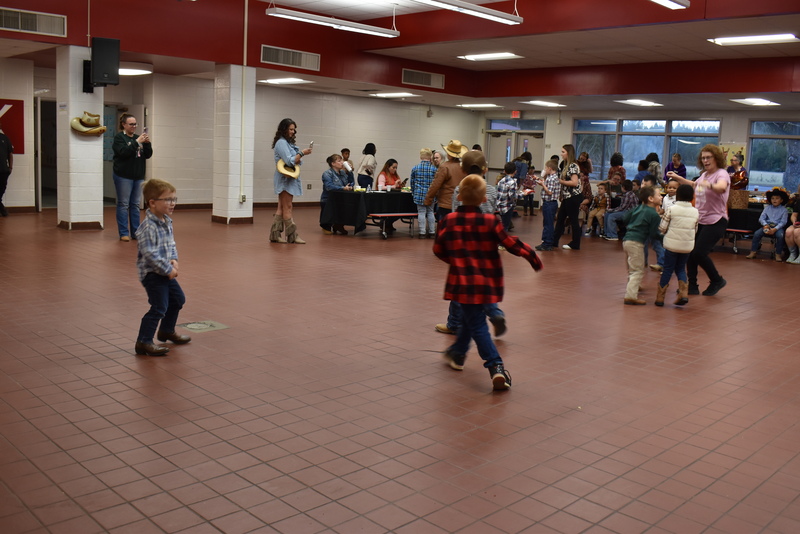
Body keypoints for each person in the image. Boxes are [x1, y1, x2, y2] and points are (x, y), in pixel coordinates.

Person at [434, 174, 543, 391]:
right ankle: (467, 356)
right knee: (473, 319)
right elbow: (510, 243)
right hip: (486, 283)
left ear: (460, 196)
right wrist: (531, 255)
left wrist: (456, 262)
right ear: (484, 199)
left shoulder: (449, 220)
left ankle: (495, 366)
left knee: (474, 321)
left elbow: (438, 249)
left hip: (462, 283)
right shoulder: (491, 221)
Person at [439, 151, 505, 337]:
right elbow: (492, 211)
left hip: (465, 245)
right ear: (485, 169)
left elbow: (455, 215)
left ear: (462, 169)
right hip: (486, 245)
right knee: (484, 284)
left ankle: (454, 323)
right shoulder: (491, 190)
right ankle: (495, 313)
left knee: (460, 285)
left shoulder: (460, 190)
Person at [134, 179, 190, 356]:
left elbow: (171, 244)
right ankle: (143, 341)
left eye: (174, 199)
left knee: (178, 300)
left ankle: (166, 330)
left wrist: (174, 259)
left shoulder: (166, 221)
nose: (172, 203)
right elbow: (150, 255)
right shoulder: (147, 228)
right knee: (159, 307)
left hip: (166, 272)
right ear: (152, 203)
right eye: (167, 200)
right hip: (153, 275)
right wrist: (168, 270)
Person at [667, 144, 730, 296]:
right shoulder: (704, 175)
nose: (706, 160)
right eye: (703, 158)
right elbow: (695, 185)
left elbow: (721, 187)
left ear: (716, 158)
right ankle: (692, 286)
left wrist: (709, 185)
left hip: (716, 220)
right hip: (701, 220)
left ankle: (717, 280)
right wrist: (678, 178)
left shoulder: (721, 174)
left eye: (709, 157)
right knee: (690, 252)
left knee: (699, 253)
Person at [271, 118, 312, 244]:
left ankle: (275, 234)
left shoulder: (288, 143)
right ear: (284, 129)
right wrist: (302, 153)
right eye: (290, 129)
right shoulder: (282, 143)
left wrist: (299, 156)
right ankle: (292, 235)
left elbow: (296, 160)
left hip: (289, 177)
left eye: (294, 129)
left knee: (282, 207)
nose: (293, 132)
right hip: (285, 178)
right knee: (288, 206)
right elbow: (290, 161)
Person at [657, 184, 699, 306]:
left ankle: (660, 298)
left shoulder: (671, 209)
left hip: (671, 245)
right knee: (681, 269)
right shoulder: (695, 212)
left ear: (678, 195)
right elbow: (694, 230)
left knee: (668, 269)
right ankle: (683, 294)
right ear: (692, 197)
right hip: (686, 246)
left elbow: (662, 228)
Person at [112, 114, 152, 241]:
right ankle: (124, 233)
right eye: (131, 124)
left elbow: (148, 155)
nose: (134, 127)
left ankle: (136, 232)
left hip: (138, 176)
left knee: (135, 204)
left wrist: (147, 143)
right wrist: (137, 142)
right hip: (123, 176)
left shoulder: (137, 138)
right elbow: (123, 152)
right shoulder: (119, 138)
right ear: (124, 124)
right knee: (123, 204)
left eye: (135, 124)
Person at [621, 185, 663, 305]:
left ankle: (636, 286)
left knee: (632, 266)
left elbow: (625, 218)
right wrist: (664, 238)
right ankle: (630, 295)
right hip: (637, 242)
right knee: (637, 270)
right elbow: (654, 233)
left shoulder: (638, 207)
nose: (661, 197)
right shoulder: (654, 214)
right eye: (659, 195)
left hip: (627, 240)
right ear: (651, 198)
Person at [425, 140, 468, 221]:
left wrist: (428, 199)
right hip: (460, 203)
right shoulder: (464, 167)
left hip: (446, 204)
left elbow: (435, 185)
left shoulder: (445, 167)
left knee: (444, 229)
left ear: (448, 154)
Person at [552, 144, 583, 250]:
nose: (561, 154)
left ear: (568, 153)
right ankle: (554, 240)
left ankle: (575, 243)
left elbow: (574, 183)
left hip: (573, 196)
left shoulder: (573, 166)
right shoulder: (565, 165)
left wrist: (560, 181)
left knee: (573, 220)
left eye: (563, 152)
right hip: (567, 196)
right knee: (560, 219)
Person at [746, 187, 789, 261]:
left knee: (780, 236)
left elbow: (783, 222)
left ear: (781, 200)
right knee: (757, 234)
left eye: (777, 198)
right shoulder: (767, 208)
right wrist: (765, 225)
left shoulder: (784, 210)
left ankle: (778, 254)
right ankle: (753, 252)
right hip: (767, 225)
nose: (774, 200)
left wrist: (775, 229)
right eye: (772, 198)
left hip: (777, 227)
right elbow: (761, 218)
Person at [320, 153, 354, 235]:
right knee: (330, 210)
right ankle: (326, 226)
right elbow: (329, 187)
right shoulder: (327, 173)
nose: (342, 162)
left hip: (340, 197)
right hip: (328, 198)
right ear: (333, 163)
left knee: (348, 207)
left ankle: (338, 225)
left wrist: (350, 172)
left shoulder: (342, 173)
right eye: (339, 161)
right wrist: (343, 188)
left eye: (342, 160)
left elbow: (351, 182)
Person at [410, 148, 437, 238]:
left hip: (419, 193)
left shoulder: (415, 168)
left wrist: (414, 192)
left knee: (421, 212)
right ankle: (432, 231)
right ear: (430, 157)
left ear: (420, 156)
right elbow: (436, 183)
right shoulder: (434, 169)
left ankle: (422, 232)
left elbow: (412, 182)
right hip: (431, 194)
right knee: (430, 212)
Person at [535, 159, 561, 251]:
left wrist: (543, 184)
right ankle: (547, 241)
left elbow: (549, 192)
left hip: (549, 203)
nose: (545, 169)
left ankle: (547, 243)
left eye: (546, 168)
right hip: (551, 203)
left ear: (550, 168)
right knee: (547, 223)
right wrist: (541, 181)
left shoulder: (551, 178)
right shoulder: (553, 177)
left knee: (548, 224)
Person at [496, 162, 519, 232]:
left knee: (502, 225)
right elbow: (512, 196)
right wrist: (523, 194)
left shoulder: (501, 181)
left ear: (505, 171)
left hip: (500, 206)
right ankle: (503, 241)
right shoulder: (512, 182)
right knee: (505, 227)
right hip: (508, 207)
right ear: (515, 171)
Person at [0, 121, 13, 217]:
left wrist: (10, 167)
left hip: (4, 170)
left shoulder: (5, 138)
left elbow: (10, 153)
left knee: (1, 189)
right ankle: (2, 210)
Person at [785, 186, 800, 264]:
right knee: (788, 231)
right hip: (798, 223)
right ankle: (793, 254)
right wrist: (794, 222)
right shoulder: (798, 201)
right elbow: (794, 215)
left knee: (797, 232)